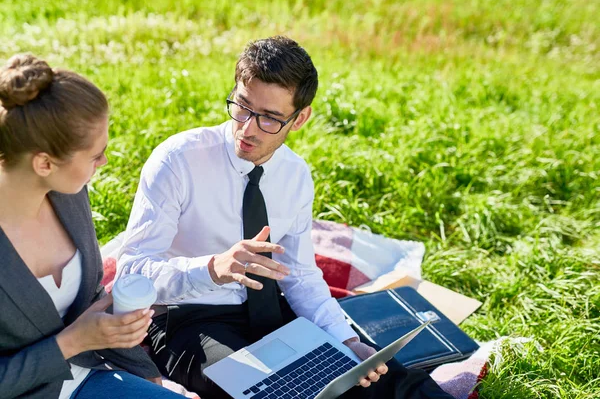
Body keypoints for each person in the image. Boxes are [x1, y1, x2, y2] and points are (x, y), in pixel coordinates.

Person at [118, 36, 453, 399]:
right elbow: (130, 271)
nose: (247, 129)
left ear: (300, 118)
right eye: (242, 107)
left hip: (272, 310)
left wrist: (348, 340)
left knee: (391, 382)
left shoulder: (295, 175)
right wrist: (213, 267)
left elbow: (301, 275)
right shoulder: (177, 161)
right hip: (191, 318)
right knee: (263, 392)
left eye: (270, 119)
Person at [0, 54, 186, 399]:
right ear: (44, 162)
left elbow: (89, 298)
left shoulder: (67, 193)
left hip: (87, 376)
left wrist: (150, 378)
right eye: (95, 155)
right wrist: (72, 342)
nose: (105, 161)